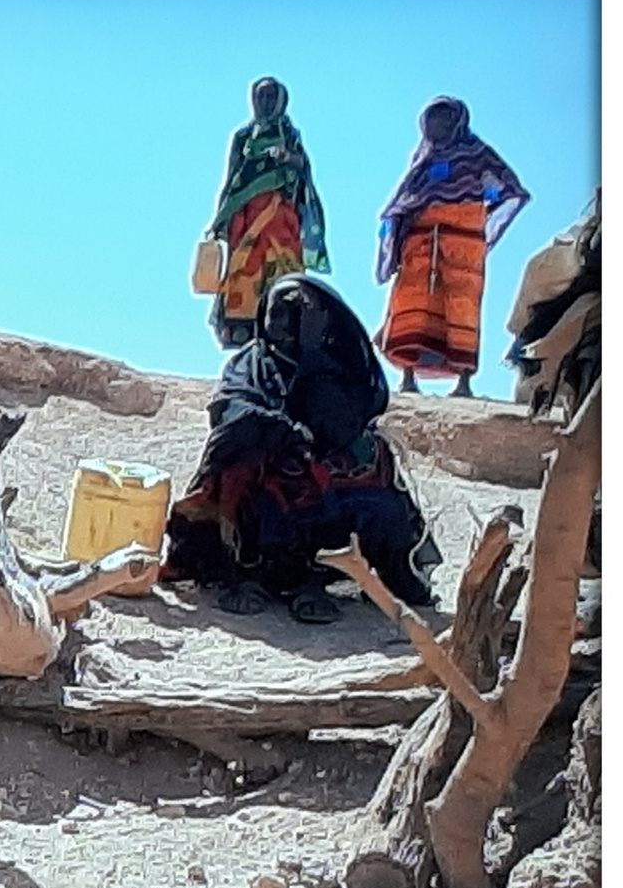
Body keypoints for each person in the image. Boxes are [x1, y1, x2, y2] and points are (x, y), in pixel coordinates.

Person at [164, 274, 441, 625]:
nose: (276, 323)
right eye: (273, 313)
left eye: (290, 314)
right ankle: (253, 577)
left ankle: (334, 578)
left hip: (325, 461)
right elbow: (230, 410)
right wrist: (278, 430)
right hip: (270, 459)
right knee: (247, 473)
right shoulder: (251, 363)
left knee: (377, 483)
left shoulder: (339, 366)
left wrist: (314, 373)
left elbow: (348, 421)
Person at [375, 95, 530, 397]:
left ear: (458, 120)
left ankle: (463, 381)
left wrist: (481, 220)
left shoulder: (477, 154)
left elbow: (509, 190)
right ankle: (408, 376)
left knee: (461, 308)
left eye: (444, 117)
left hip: (462, 244)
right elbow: (406, 199)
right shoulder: (421, 158)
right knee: (412, 303)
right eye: (432, 118)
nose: (437, 124)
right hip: (420, 241)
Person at [205, 76, 330, 349]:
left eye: (270, 97)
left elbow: (303, 168)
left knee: (283, 274)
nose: (264, 102)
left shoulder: (289, 133)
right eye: (260, 97)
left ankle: (283, 329)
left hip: (280, 219)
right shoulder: (243, 137)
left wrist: (287, 157)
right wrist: (220, 217)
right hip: (246, 219)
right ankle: (242, 332)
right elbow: (232, 179)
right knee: (243, 275)